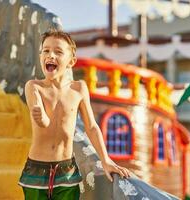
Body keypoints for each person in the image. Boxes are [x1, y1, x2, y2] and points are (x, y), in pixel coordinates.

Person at [18, 29, 130, 200]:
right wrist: (41, 117)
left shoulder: (79, 89)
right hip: (36, 170)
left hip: (67, 172)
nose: (51, 55)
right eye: (46, 51)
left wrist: (106, 160)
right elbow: (43, 121)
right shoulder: (34, 86)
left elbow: (91, 126)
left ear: (71, 61)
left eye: (58, 52)